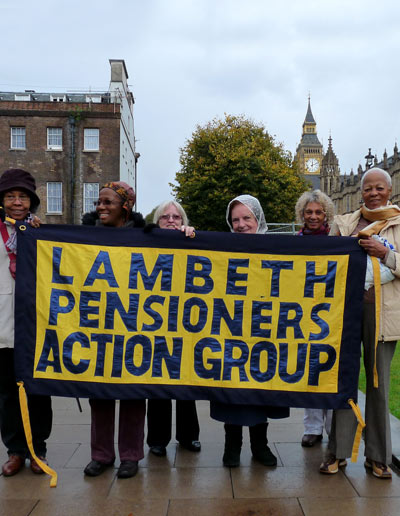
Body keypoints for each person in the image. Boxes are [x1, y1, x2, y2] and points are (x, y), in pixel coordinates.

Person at [320, 167, 400, 479]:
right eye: (368, 188)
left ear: (389, 190)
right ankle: (337, 453)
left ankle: (378, 457)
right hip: (347, 313)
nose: (374, 193)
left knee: (378, 385)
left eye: (380, 188)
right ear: (360, 191)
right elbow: (325, 262)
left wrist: (386, 254)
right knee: (343, 381)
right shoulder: (345, 222)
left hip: (384, 314)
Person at [210, 194, 290, 467]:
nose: (241, 224)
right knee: (232, 390)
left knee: (261, 390)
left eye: (247, 218)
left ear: (258, 219)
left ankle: (260, 446)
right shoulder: (221, 249)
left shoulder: (278, 248)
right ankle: (231, 446)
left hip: (264, 332)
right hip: (231, 331)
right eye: (235, 219)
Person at [82, 181, 146, 479]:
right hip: (99, 327)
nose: (101, 207)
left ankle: (130, 456)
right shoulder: (84, 237)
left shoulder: (146, 238)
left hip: (134, 328)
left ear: (126, 207)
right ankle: (102, 455)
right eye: (99, 202)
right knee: (100, 392)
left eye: (108, 202)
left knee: (133, 392)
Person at [0, 168, 53, 476]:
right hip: (4, 323)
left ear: (31, 202)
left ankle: (39, 449)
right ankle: (15, 450)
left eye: (22, 197)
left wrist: (40, 235)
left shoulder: (40, 231)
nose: (17, 203)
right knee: (7, 393)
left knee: (38, 390)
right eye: (10, 196)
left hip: (36, 325)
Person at [146, 200, 201, 457]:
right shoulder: (146, 243)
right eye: (164, 217)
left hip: (186, 320)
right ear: (157, 223)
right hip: (155, 320)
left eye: (176, 217)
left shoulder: (190, 240)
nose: (170, 221)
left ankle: (189, 436)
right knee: (158, 381)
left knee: (185, 382)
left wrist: (191, 236)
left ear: (183, 221)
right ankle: (157, 439)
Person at [295, 190, 334, 447]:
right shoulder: (295, 241)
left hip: (332, 312)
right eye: (309, 212)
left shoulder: (338, 239)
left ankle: (333, 429)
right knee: (310, 369)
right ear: (301, 215)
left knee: (331, 370)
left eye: (318, 212)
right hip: (303, 312)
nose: (313, 217)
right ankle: (312, 428)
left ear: (326, 215)